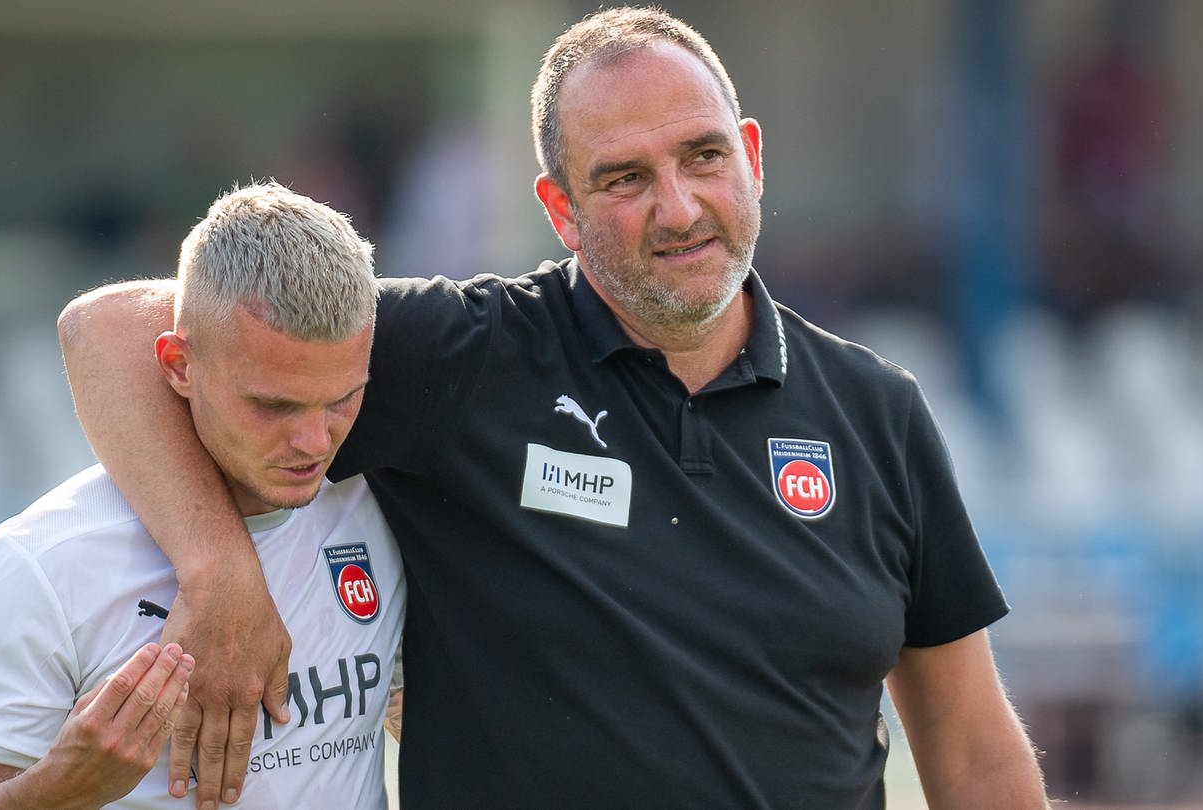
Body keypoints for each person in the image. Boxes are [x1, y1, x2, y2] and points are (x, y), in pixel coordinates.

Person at [58, 8, 1049, 808]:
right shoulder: (466, 357)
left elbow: (971, 757)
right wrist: (219, 568)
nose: (679, 206)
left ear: (751, 156)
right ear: (560, 209)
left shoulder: (879, 414)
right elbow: (107, 331)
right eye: (625, 177)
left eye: (703, 156)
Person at [0, 181, 404, 809]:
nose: (312, 440)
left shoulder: (380, 506)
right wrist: (52, 791)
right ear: (178, 366)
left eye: (343, 399)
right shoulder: (41, 567)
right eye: (273, 405)